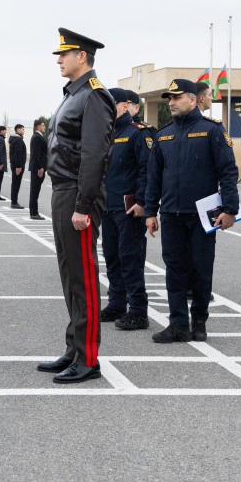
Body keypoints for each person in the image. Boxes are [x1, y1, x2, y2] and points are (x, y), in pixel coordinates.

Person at [36, 28, 114, 383]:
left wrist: (83, 204)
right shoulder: (73, 95)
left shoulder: (94, 96)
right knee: (70, 274)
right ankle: (75, 348)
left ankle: (89, 359)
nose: (58, 60)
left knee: (83, 276)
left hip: (79, 194)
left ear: (81, 56)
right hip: (63, 190)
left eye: (64, 55)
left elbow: (95, 154)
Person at [144, 80, 239, 343]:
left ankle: (199, 322)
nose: (171, 102)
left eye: (176, 97)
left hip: (203, 215)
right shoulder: (163, 135)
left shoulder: (212, 131)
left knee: (200, 269)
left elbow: (228, 171)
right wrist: (150, 212)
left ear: (193, 100)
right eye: (169, 98)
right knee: (174, 270)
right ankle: (178, 324)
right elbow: (154, 177)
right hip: (172, 213)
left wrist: (230, 209)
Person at [98, 88, 151, 330]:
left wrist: (142, 202)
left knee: (130, 259)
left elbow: (146, 171)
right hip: (108, 206)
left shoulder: (138, 133)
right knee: (112, 257)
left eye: (112, 103)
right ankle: (117, 303)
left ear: (125, 105)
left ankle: (138, 311)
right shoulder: (106, 133)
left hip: (129, 209)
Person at [27, 120, 48, 220]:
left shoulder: (38, 137)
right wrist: (40, 167)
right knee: (34, 191)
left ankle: (34, 212)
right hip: (37, 169)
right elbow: (36, 154)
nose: (45, 127)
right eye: (43, 125)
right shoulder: (37, 137)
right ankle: (34, 213)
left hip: (38, 168)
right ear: (38, 126)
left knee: (35, 191)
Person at [8, 124, 27, 209]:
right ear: (18, 130)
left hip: (15, 165)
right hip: (17, 166)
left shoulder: (14, 139)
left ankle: (14, 201)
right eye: (22, 129)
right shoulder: (18, 140)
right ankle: (14, 202)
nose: (24, 130)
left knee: (15, 184)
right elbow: (17, 154)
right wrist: (18, 166)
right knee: (16, 184)